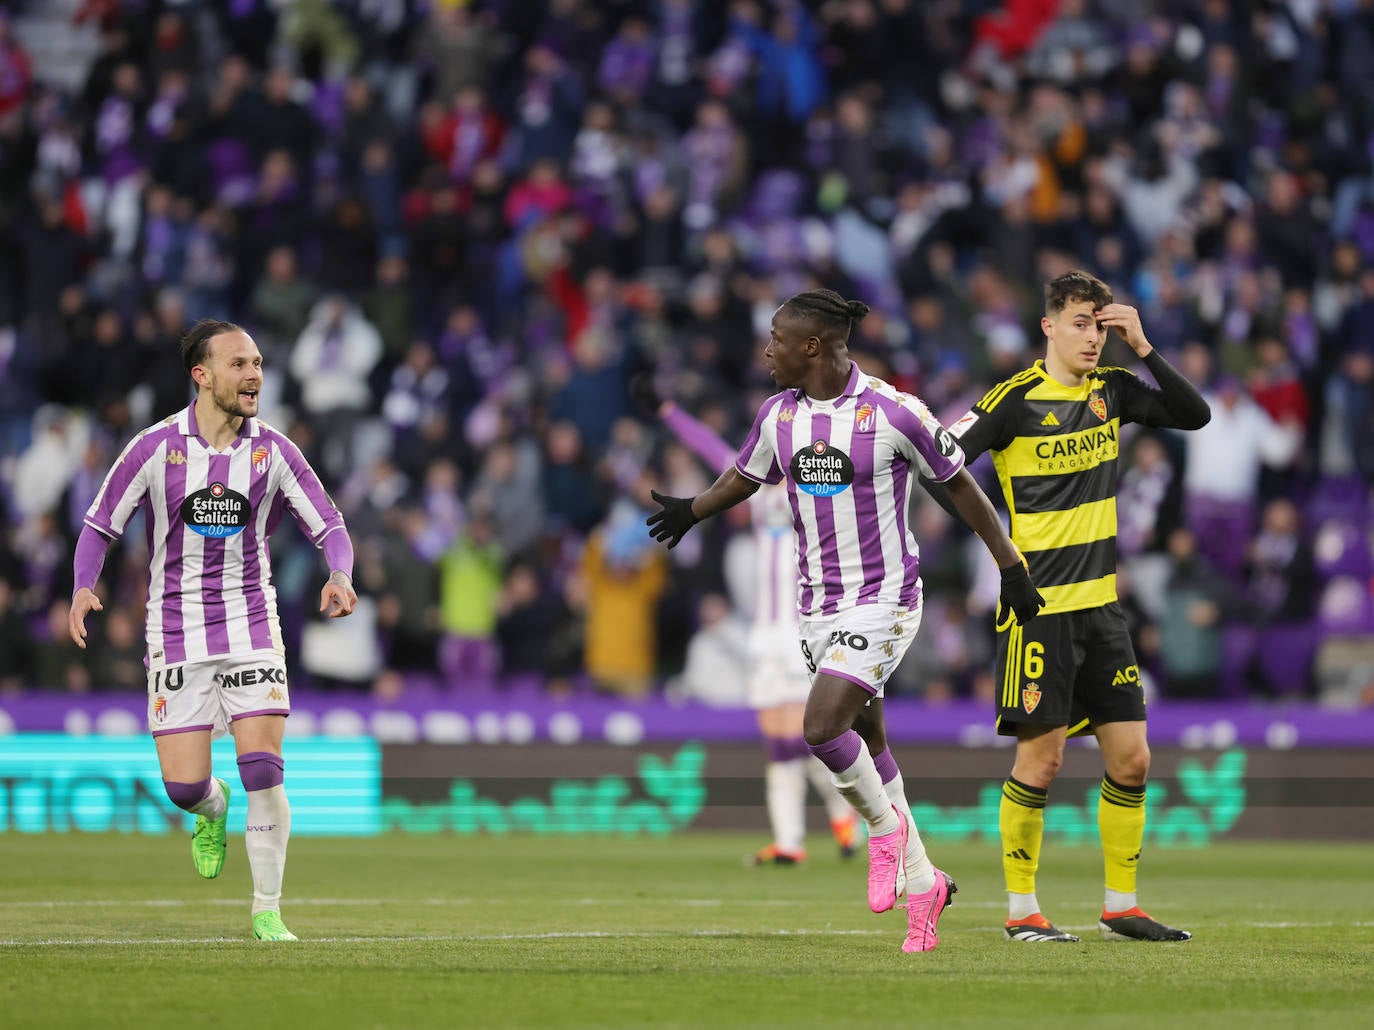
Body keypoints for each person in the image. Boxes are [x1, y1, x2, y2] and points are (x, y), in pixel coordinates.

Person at [646, 289, 1045, 953]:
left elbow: (960, 486)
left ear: (812, 346)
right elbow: (745, 477)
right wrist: (694, 509)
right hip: (815, 610)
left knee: (820, 727)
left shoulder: (893, 412)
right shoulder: (778, 416)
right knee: (872, 745)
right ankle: (926, 884)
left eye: (776, 339)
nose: (766, 351)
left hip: (886, 597)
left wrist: (1010, 567)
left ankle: (884, 832)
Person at [939, 270, 1211, 943]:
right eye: (1081, 323)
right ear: (1049, 327)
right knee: (1042, 762)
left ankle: (1121, 904)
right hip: (1041, 612)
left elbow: (1194, 414)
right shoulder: (1013, 400)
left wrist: (1142, 345)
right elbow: (940, 466)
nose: (1093, 336)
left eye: (1100, 323)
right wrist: (1004, 559)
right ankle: (1021, 909)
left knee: (1134, 760)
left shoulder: (1111, 391)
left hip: (1103, 611)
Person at [68, 319, 357, 942]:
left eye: (258, 363)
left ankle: (267, 910)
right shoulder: (154, 447)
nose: (254, 374)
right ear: (201, 375)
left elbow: (329, 523)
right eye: (239, 364)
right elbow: (99, 525)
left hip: (252, 624)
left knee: (264, 768)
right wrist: (84, 586)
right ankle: (210, 806)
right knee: (182, 787)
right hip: (175, 633)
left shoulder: (274, 450)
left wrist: (339, 573)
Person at [647, 386, 859, 865]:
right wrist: (668, 408)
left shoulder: (823, 485)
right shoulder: (757, 485)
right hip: (765, 635)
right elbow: (707, 445)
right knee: (780, 745)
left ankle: (844, 813)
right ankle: (791, 842)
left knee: (810, 737)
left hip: (804, 629)